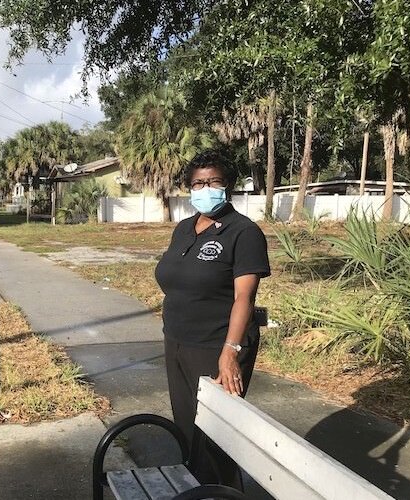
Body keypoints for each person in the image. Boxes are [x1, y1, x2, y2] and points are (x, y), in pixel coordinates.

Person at [154, 149, 270, 490]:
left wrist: (231, 351)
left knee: (215, 438)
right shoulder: (184, 229)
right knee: (188, 428)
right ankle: (200, 493)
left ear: (228, 185)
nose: (206, 189)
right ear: (189, 188)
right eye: (198, 183)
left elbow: (244, 298)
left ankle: (224, 495)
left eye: (214, 181)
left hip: (217, 345)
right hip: (177, 341)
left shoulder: (243, 232)